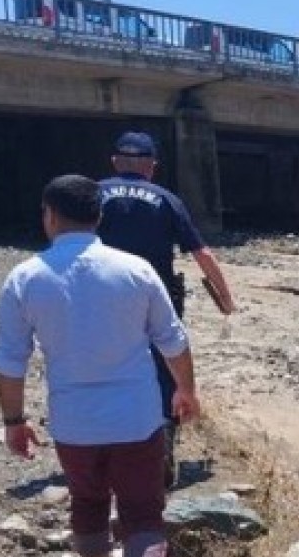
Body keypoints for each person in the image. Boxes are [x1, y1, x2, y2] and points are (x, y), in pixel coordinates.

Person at [0, 174, 199, 557]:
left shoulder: (25, 277)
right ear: (99, 216)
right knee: (144, 512)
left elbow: (8, 360)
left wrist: (14, 421)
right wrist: (186, 391)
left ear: (49, 215)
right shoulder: (135, 270)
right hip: (137, 418)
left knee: (87, 502)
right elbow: (172, 339)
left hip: (74, 424)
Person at [98, 131, 234, 487]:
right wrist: (225, 297)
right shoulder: (166, 200)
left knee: (104, 365)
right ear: (151, 167)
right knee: (164, 369)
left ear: (115, 162)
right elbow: (201, 253)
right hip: (155, 299)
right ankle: (161, 450)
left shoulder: (92, 194)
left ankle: (104, 450)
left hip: (99, 298)